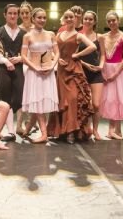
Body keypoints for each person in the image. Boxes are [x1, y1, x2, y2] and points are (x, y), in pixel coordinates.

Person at [48, 9, 96, 144]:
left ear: (75, 19)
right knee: (62, 101)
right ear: (63, 18)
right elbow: (52, 51)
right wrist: (56, 59)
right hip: (61, 71)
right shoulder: (59, 34)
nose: (69, 19)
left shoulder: (78, 35)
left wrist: (78, 55)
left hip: (74, 70)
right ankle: (63, 131)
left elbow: (92, 46)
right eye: (67, 17)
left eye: (71, 17)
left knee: (74, 99)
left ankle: (72, 131)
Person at [20, 8, 59, 143]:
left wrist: (52, 66)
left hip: (48, 72)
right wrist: (35, 68)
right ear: (33, 19)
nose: (42, 20)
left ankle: (29, 127)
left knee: (42, 101)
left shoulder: (51, 34)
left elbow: (57, 53)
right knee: (38, 101)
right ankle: (44, 134)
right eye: (39, 17)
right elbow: (24, 56)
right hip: (34, 73)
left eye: (44, 17)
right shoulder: (27, 36)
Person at [0, 4, 26, 141]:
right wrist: (5, 61)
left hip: (19, 68)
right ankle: (10, 132)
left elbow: (29, 53)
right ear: (5, 14)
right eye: (10, 13)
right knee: (6, 99)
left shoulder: (24, 33)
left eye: (15, 13)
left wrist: (21, 58)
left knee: (18, 98)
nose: (13, 16)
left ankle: (11, 127)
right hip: (3, 69)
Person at [99, 11, 123, 140]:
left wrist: (116, 72)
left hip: (118, 69)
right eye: (109, 21)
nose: (112, 23)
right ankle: (112, 130)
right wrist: (102, 70)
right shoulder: (102, 37)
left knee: (118, 97)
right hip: (106, 68)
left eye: (114, 20)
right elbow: (102, 55)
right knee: (109, 98)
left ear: (118, 21)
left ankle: (116, 130)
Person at [78, 10, 105, 140]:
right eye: (86, 19)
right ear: (82, 20)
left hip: (96, 72)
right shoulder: (78, 36)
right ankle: (86, 129)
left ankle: (96, 130)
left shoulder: (100, 37)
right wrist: (84, 64)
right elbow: (75, 56)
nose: (87, 21)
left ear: (94, 22)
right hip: (82, 71)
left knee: (96, 104)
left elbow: (103, 54)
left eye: (90, 19)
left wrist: (101, 65)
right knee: (85, 103)